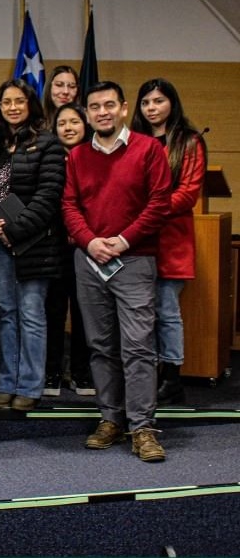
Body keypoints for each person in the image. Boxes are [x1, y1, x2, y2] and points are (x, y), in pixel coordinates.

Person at [62, 81, 171, 462]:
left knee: (139, 346)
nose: (103, 112)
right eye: (95, 107)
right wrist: (90, 241)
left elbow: (159, 204)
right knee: (100, 346)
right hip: (90, 260)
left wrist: (122, 241)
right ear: (87, 113)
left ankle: (142, 427)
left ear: (124, 108)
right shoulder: (76, 156)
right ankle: (111, 419)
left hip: (134, 260)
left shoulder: (149, 149)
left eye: (110, 105)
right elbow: (69, 205)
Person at [0, 80, 66, 412]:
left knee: (32, 314)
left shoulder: (48, 145)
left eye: (18, 101)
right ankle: (7, 382)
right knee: (7, 315)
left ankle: (30, 385)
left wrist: (15, 229)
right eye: (6, 102)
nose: (11, 107)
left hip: (35, 245)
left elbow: (49, 196)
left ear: (30, 104)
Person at [131, 78, 207, 405]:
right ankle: (147, 374)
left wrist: (149, 210)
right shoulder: (132, 141)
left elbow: (188, 194)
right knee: (140, 314)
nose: (152, 108)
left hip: (170, 240)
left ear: (172, 104)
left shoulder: (188, 142)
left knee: (166, 310)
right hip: (136, 240)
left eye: (158, 101)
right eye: (146, 102)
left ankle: (172, 376)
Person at [46, 103, 94, 396]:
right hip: (52, 246)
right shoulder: (47, 157)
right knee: (52, 310)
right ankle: (51, 371)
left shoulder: (95, 157)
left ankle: (81, 371)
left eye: (74, 121)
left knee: (83, 311)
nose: (68, 128)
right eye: (62, 123)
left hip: (87, 245)